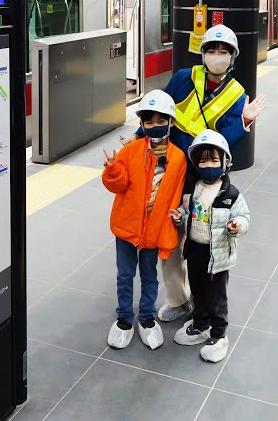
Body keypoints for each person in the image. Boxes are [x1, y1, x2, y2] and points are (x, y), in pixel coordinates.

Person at [155, 24, 266, 324]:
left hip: (205, 178)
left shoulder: (237, 95)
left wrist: (244, 120)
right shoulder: (183, 79)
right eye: (211, 50)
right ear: (203, 54)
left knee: (201, 240)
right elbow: (161, 114)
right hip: (172, 170)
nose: (217, 56)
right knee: (169, 235)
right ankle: (178, 299)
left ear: (232, 57)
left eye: (223, 51)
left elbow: (224, 144)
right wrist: (141, 135)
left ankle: (207, 307)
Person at [101, 90, 187, 350]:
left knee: (149, 276)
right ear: (141, 124)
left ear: (171, 123)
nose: (155, 126)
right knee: (125, 274)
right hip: (127, 227)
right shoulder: (130, 151)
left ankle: (147, 319)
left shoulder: (179, 158)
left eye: (161, 121)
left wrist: (177, 218)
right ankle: (125, 319)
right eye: (149, 122)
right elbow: (118, 186)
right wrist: (113, 170)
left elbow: (176, 195)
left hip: (154, 229)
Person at [169, 130, 250, 362]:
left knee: (216, 296)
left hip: (218, 255)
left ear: (226, 163)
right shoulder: (193, 190)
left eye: (214, 160)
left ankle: (218, 334)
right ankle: (200, 324)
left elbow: (244, 217)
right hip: (196, 250)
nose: (208, 165)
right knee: (198, 290)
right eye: (202, 160)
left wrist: (237, 225)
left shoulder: (231, 194)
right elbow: (188, 213)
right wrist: (179, 217)